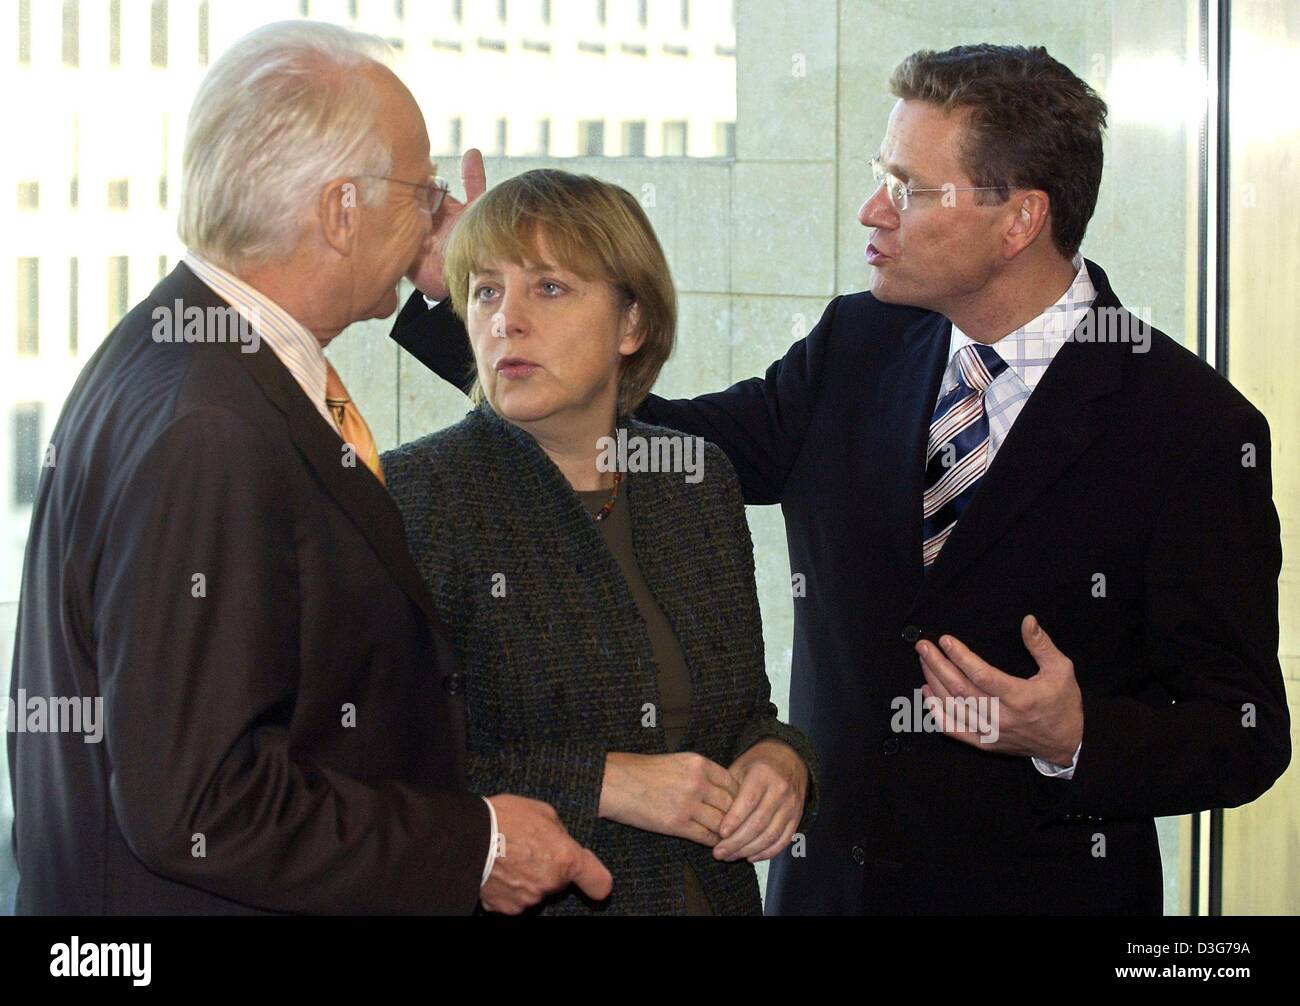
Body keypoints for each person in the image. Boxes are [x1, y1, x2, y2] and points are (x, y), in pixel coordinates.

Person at [390, 45, 1290, 914]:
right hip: (828, 892)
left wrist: (1077, 735)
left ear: (1019, 221)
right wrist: (468, 303)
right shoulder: (858, 343)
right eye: (879, 172)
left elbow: (1244, 732)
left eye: (909, 188)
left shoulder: (1193, 430)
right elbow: (642, 442)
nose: (871, 209)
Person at [7, 21, 609, 915]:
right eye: (423, 188)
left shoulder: (183, 343)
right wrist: (474, 847)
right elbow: (199, 804)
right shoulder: (208, 428)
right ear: (339, 212)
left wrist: (463, 276)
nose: (441, 214)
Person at [382, 169, 817, 914]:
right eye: (486, 291)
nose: (506, 320)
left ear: (631, 324)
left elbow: (741, 711)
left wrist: (781, 758)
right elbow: (378, 772)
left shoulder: (694, 478)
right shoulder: (418, 492)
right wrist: (604, 783)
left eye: (549, 288)